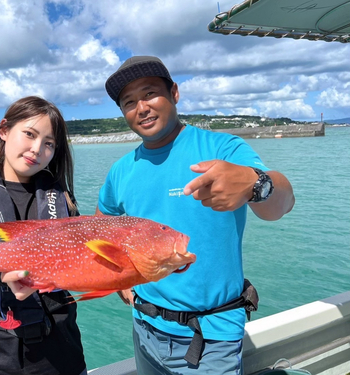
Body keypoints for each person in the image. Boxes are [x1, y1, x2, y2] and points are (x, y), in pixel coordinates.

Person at [96, 56, 295, 374]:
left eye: (150, 94)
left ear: (174, 92)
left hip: (211, 340)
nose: (141, 108)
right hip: (144, 327)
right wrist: (122, 282)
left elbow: (281, 205)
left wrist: (255, 184)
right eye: (129, 102)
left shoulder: (222, 148)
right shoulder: (120, 171)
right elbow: (104, 227)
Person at [0, 96, 87, 375]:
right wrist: (6, 274)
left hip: (62, 349)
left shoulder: (62, 200)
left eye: (49, 143)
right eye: (29, 134)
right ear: (4, 130)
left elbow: (78, 259)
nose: (37, 149)